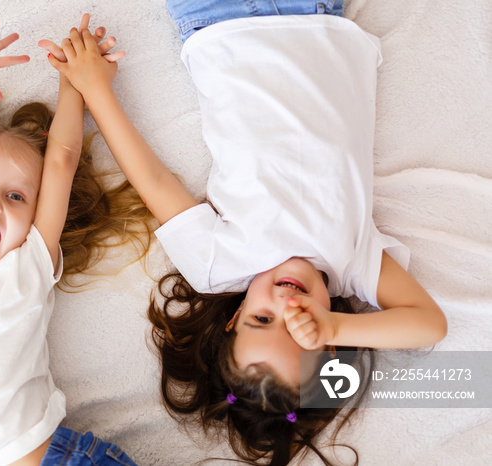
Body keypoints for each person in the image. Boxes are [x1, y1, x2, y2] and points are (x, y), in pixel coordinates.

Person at [43, 2, 447, 465]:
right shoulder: (351, 265)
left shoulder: (217, 268)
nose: (287, 307)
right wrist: (335, 323)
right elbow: (428, 325)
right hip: (315, 13)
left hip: (221, 20)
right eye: (303, 333)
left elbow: (154, 181)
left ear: (234, 318)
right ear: (330, 347)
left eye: (262, 320)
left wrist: (97, 91)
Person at [0, 15, 145, 465]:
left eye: (15, 196)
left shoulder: (28, 262)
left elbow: (61, 162)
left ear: (35, 218)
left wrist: (72, 83)